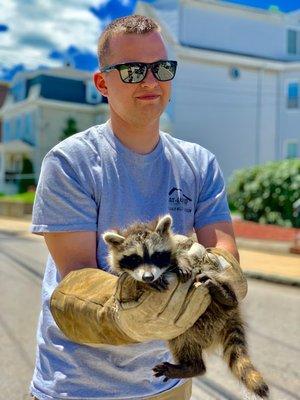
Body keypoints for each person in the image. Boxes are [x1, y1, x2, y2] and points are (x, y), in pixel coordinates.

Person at [29, 14, 246, 400]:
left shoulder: (199, 163)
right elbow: (77, 279)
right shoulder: (70, 162)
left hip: (170, 381)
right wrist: (146, 303)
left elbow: (224, 253)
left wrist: (219, 271)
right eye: (131, 70)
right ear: (102, 83)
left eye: (161, 68)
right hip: (79, 385)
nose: (150, 81)